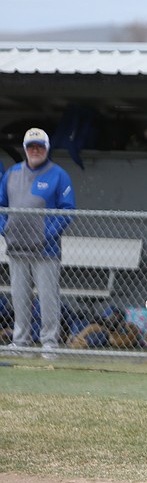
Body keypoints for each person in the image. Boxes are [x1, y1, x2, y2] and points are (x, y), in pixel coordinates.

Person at [0, 128, 75, 359]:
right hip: (17, 248)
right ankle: (20, 342)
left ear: (47, 149)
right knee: (20, 296)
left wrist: (46, 234)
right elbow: (1, 206)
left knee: (47, 296)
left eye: (39, 146)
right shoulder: (12, 173)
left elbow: (67, 210)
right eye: (31, 146)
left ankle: (49, 344)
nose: (35, 150)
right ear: (25, 149)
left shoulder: (58, 174)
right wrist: (5, 229)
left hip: (46, 250)